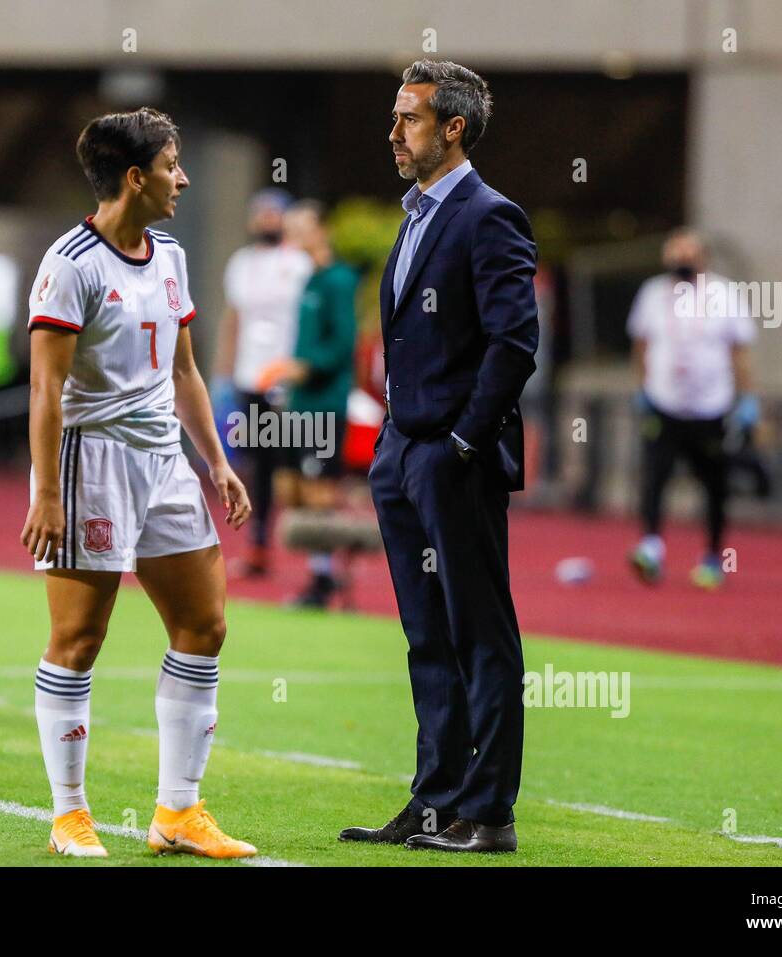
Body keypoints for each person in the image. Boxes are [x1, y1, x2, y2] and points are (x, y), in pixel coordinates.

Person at [20, 108, 256, 859]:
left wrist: (214, 460)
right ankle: (69, 814)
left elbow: (184, 369)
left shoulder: (172, 256)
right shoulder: (70, 264)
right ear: (135, 177)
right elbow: (45, 393)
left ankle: (177, 812)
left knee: (205, 626)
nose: (182, 177)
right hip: (90, 464)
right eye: (172, 164)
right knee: (79, 637)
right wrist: (49, 494)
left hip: (164, 464)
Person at [339, 60, 538, 853]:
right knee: (427, 638)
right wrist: (396, 445)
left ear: (453, 128)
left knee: (481, 635)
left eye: (409, 118)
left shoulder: (489, 216)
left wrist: (461, 441)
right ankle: (435, 804)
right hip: (403, 454)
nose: (393, 132)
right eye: (394, 116)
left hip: (453, 458)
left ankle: (489, 812)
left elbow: (515, 343)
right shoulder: (417, 214)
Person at [626, 227, 758, 590]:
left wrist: (746, 398)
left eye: (687, 256)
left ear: (703, 258)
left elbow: (740, 351)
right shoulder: (653, 293)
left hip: (710, 407)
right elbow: (640, 343)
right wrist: (643, 388)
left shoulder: (725, 294)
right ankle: (651, 547)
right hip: (663, 403)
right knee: (654, 478)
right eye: (674, 256)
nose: (680, 263)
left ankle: (714, 557)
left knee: (715, 484)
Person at [256, 200, 360, 607]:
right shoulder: (310, 281)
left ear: (321, 232)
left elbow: (342, 344)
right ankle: (322, 571)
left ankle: (324, 580)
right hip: (299, 404)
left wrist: (304, 367)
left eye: (300, 227)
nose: (291, 235)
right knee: (291, 488)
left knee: (319, 492)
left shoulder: (338, 280)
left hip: (325, 404)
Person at [213, 189, 313, 577]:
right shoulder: (241, 263)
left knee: (297, 464)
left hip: (287, 377)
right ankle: (258, 543)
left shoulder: (299, 264)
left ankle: (310, 554)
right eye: (261, 213)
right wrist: (223, 371)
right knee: (257, 462)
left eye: (274, 214)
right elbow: (233, 318)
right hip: (248, 375)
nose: (266, 220)